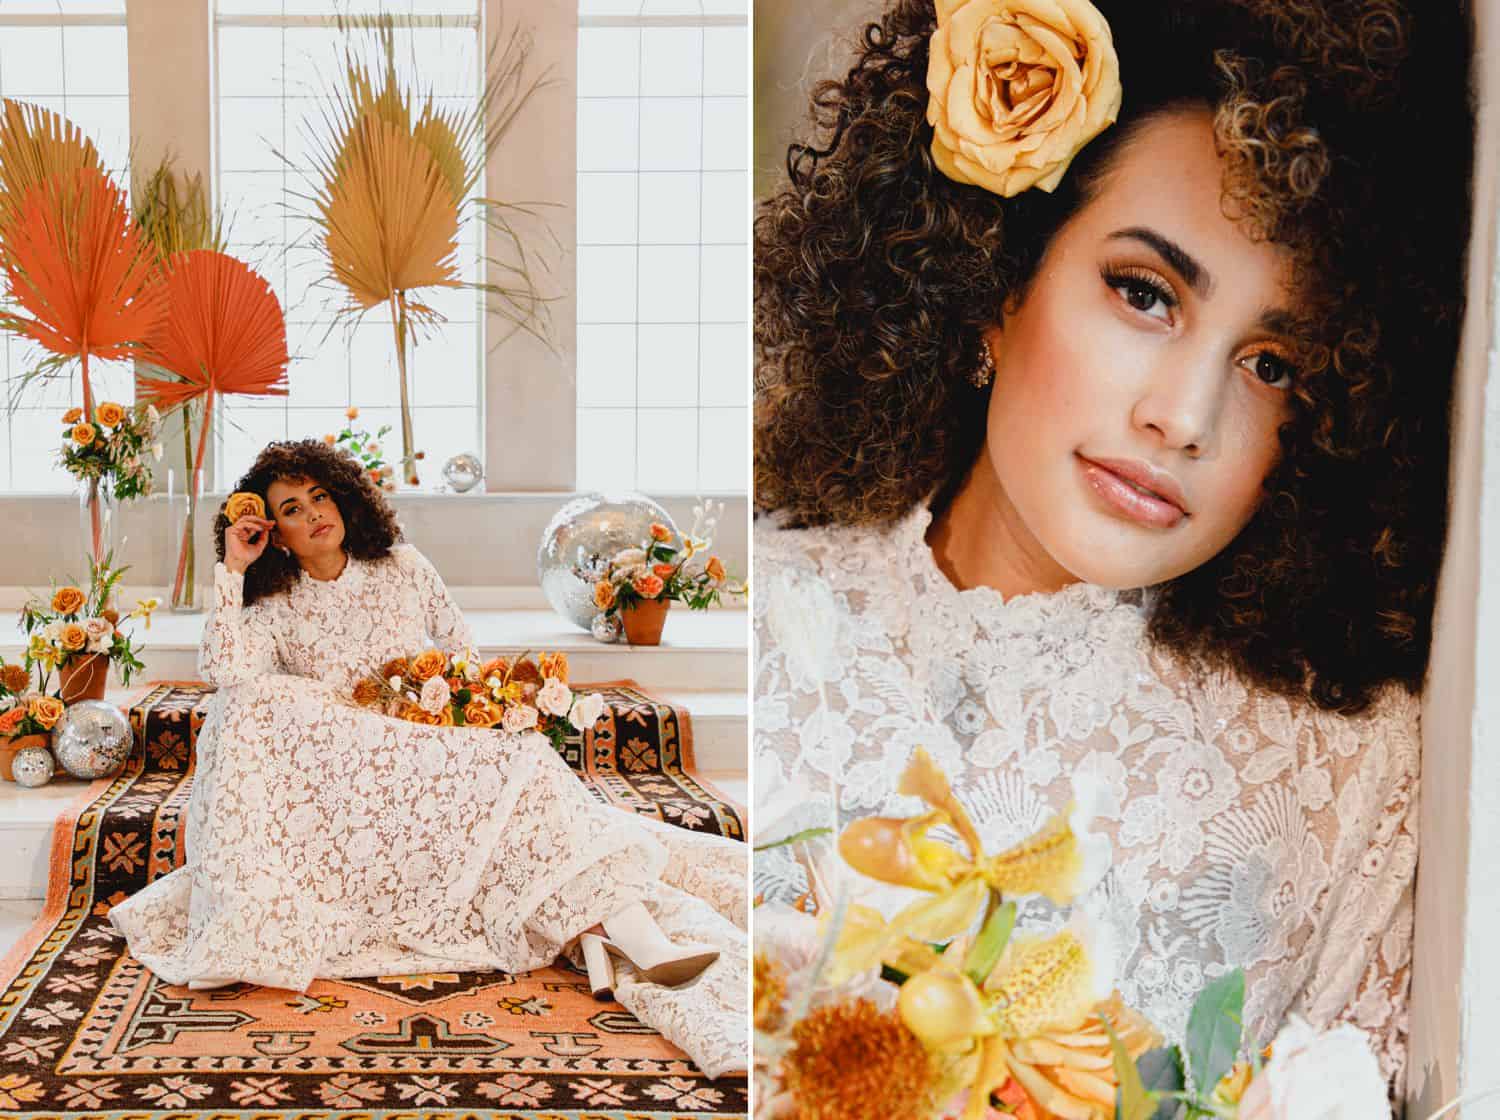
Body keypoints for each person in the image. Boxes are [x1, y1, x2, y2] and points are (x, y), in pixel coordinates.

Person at [751, 0, 1471, 1099]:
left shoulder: (1347, 772)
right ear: (997, 282)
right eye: (1145, 294)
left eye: (1272, 363)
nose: (1185, 416)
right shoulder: (764, 609)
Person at [108, 439, 746, 1079]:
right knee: (251, 702)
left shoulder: (401, 566)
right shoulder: (274, 602)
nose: (314, 515)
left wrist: (482, 711)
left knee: (522, 764)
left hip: (422, 743)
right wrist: (231, 568)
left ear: (344, 498)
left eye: (320, 497)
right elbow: (224, 672)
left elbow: (462, 650)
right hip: (341, 769)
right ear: (274, 532)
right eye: (293, 509)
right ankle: (618, 938)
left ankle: (628, 937)